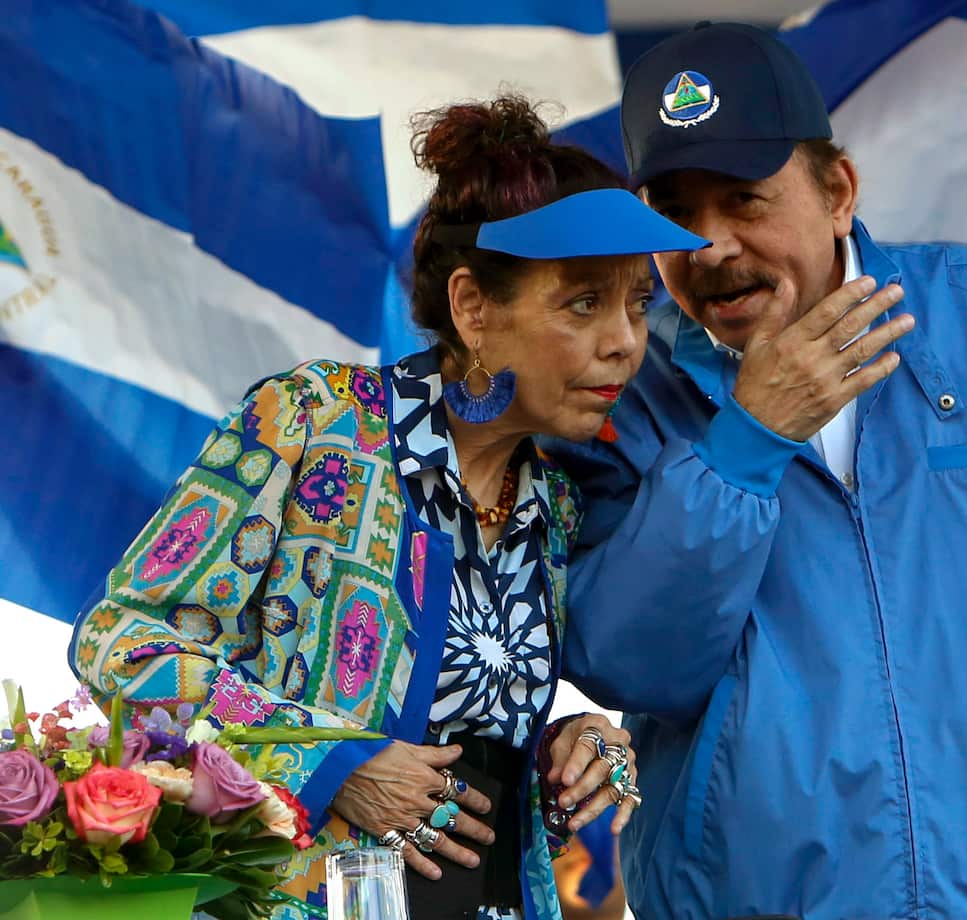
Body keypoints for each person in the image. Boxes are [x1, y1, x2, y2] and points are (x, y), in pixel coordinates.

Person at [547, 22, 967, 920]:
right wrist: (747, 441)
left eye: (746, 200)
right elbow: (636, 665)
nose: (710, 246)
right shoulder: (626, 395)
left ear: (838, 191)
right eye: (675, 214)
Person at [68, 95, 706, 920]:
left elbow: (468, 754)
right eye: (583, 304)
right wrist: (334, 761)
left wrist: (568, 752)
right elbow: (117, 641)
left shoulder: (556, 505)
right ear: (474, 308)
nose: (624, 340)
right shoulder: (313, 422)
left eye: (637, 305)